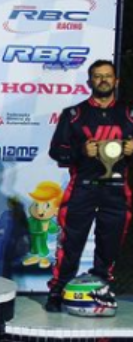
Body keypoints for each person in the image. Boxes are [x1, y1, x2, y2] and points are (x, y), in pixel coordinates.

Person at [45, 60, 133, 312]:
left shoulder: (129, 114)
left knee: (110, 245)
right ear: (89, 82)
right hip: (82, 188)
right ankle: (58, 291)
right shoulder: (74, 114)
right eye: (98, 76)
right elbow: (56, 151)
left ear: (116, 81)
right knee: (70, 243)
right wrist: (81, 151)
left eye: (108, 76)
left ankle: (101, 288)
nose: (103, 80)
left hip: (117, 190)